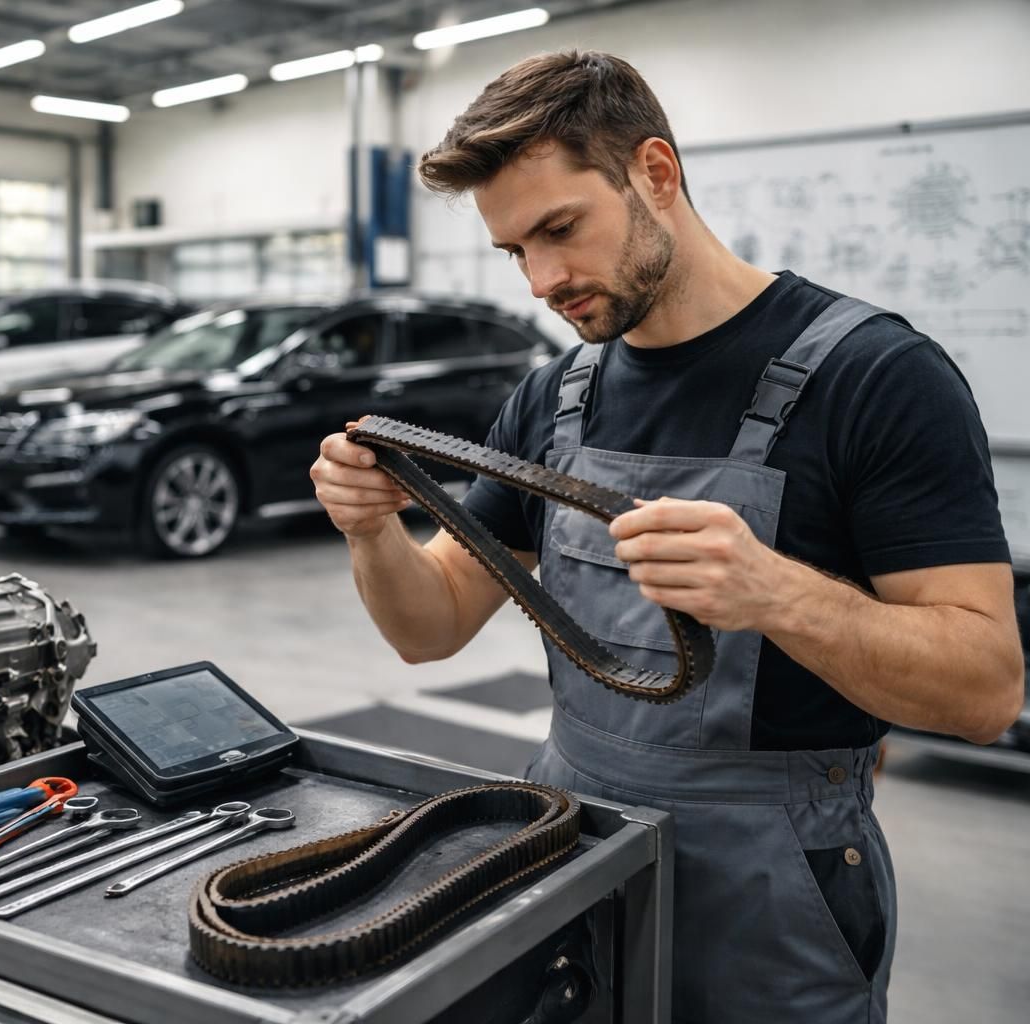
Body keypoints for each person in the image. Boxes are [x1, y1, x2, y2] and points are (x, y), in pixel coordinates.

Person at [310, 50, 1023, 1024]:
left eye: (561, 229)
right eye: (515, 251)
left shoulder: (877, 380)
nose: (543, 281)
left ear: (654, 172)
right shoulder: (554, 398)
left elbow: (986, 690)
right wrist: (370, 530)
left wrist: (775, 592)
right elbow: (428, 625)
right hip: (569, 855)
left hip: (772, 902)